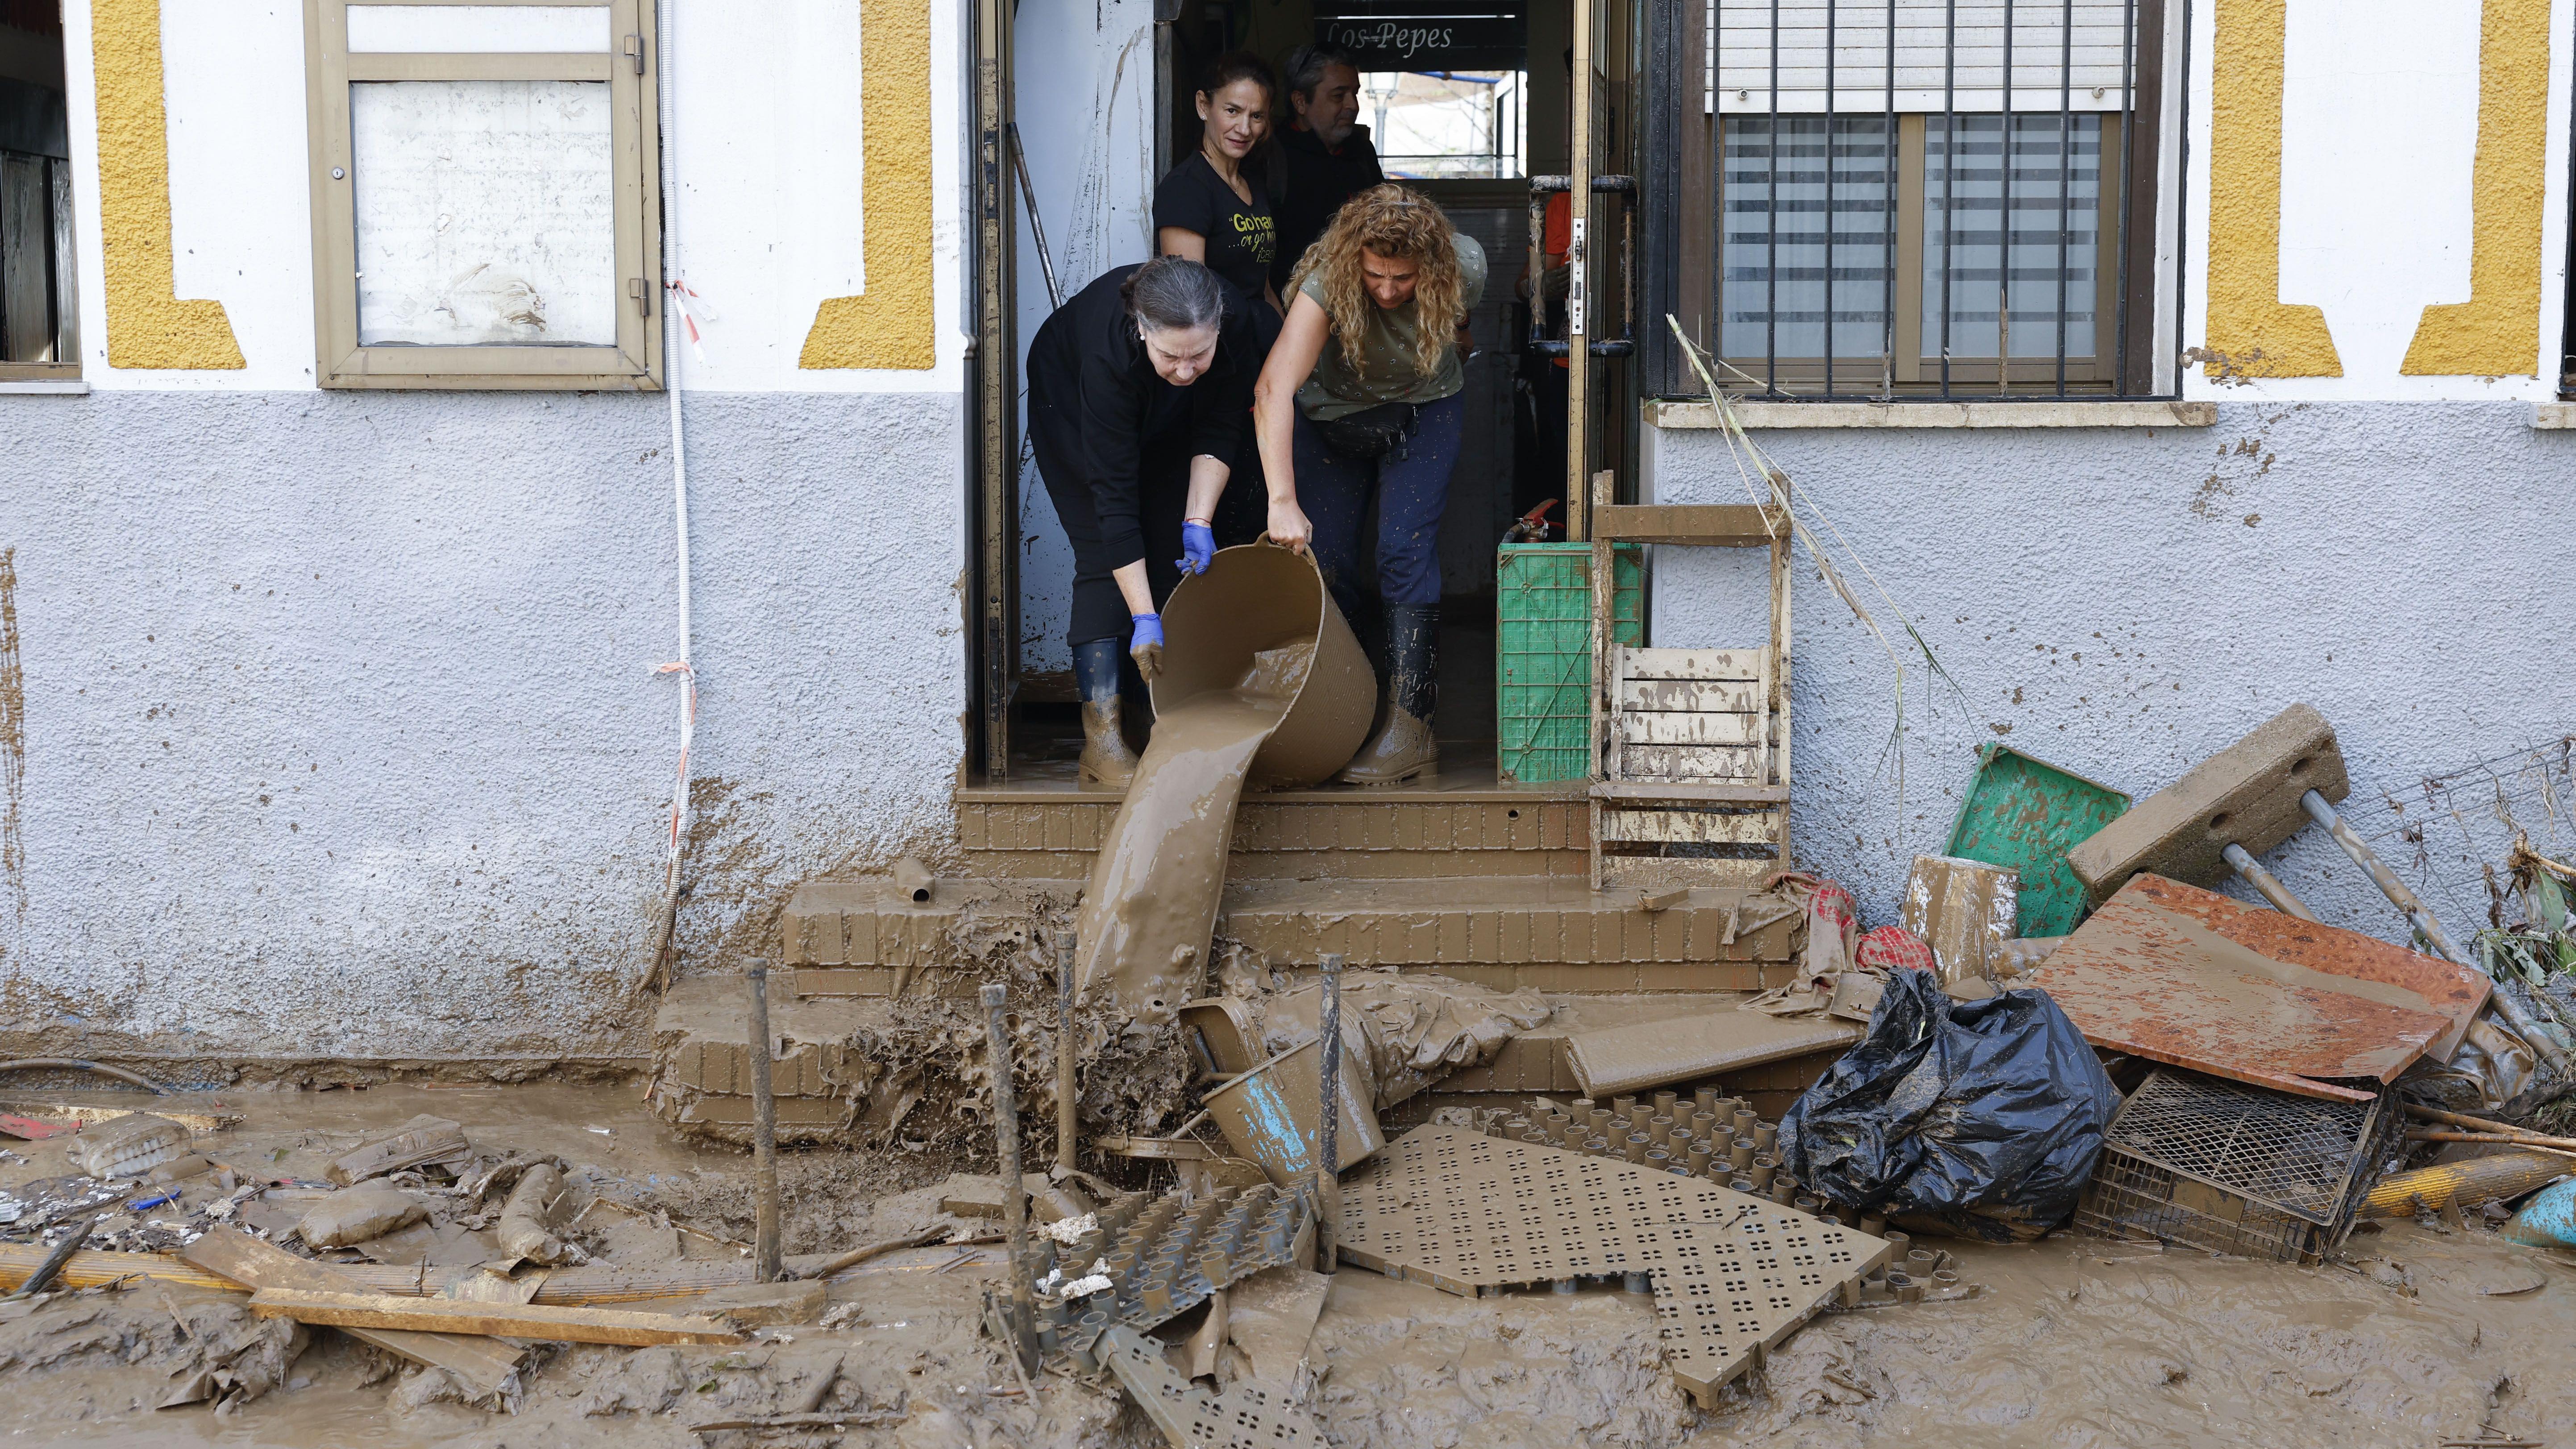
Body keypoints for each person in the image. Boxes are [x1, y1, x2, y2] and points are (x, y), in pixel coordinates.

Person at [1254, 185, 1484, 786]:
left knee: (1404, 552)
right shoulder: (1326, 284)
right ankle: (1346, 714)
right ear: (1355, 259)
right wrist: (1282, 499)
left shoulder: (1465, 268)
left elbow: (1464, 325)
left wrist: (1442, 333)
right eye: (1376, 275)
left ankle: (1412, 727)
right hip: (1331, 418)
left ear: (1430, 268)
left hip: (1424, 412)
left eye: (1403, 279)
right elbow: (1273, 388)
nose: (1386, 291)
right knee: (1325, 561)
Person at [1026, 256, 1259, 787]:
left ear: (1219, 325)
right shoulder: (1108, 358)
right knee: (1102, 554)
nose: (1185, 369)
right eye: (1172, 355)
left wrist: (1197, 519)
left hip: (1163, 410)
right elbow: (1112, 499)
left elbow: (1222, 425)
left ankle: (1156, 721)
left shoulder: (1235, 322)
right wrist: (1143, 618)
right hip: (1070, 395)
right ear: (1141, 330)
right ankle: (1103, 743)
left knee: (1166, 540)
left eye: (1199, 354)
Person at [1154, 51, 1283, 327]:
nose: (1245, 129)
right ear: (1203, 106)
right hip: (1224, 349)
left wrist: (1290, 348)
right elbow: (1190, 303)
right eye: (1232, 111)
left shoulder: (1254, 183)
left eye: (1257, 116)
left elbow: (1263, 285)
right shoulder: (1186, 188)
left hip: (1260, 338)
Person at [1271, 43, 1385, 299]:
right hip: (1293, 307)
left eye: (1354, 94)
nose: (1352, 105)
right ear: (1301, 102)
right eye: (1338, 96)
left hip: (1362, 305)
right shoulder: (1272, 156)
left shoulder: (1362, 151)